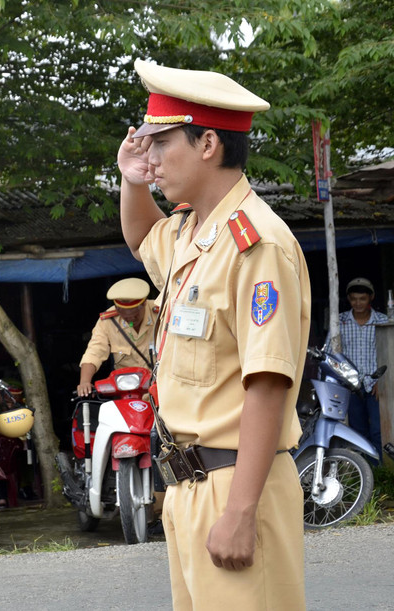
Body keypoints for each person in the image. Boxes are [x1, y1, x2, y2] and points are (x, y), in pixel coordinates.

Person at [117, 59, 310, 610]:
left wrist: (241, 511)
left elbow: (268, 382)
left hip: (234, 484)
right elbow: (141, 239)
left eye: (160, 143)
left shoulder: (257, 243)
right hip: (189, 487)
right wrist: (133, 180)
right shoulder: (194, 229)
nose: (149, 157)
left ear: (206, 144)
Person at [332, 277, 387, 463]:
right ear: (348, 299)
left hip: (375, 385)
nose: (358, 303)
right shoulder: (339, 322)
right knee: (358, 431)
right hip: (351, 386)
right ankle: (365, 472)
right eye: (354, 299)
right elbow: (330, 355)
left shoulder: (382, 321)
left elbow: (389, 353)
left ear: (370, 298)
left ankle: (382, 471)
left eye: (362, 299)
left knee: (379, 430)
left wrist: (384, 382)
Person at [77, 277, 159, 396]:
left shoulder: (160, 313)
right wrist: (84, 382)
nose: (131, 319)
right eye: (126, 317)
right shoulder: (108, 322)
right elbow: (94, 352)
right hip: (127, 394)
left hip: (160, 391)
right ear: (117, 309)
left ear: (144, 304)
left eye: (135, 315)